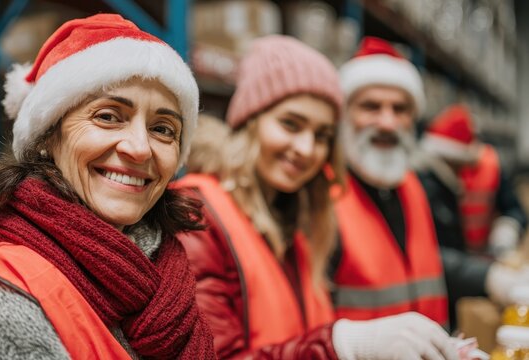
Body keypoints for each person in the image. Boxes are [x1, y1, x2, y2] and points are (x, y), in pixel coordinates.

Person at [0, 14, 215, 359]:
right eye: (107, 116)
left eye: (163, 129)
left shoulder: (165, 271)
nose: (139, 147)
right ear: (48, 136)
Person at [175, 35, 459, 360]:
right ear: (250, 121)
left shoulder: (295, 215)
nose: (307, 149)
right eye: (290, 124)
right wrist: (338, 345)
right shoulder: (197, 215)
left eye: (322, 135)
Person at [330, 36, 529, 330]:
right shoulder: (321, 196)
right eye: (371, 107)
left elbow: (422, 260)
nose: (388, 122)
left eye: (400, 109)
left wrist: (488, 277)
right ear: (344, 115)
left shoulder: (409, 186)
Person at [418, 104, 527, 258]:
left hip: (485, 257)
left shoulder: (491, 167)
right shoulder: (425, 178)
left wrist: (508, 227)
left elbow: (514, 209)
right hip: (449, 265)